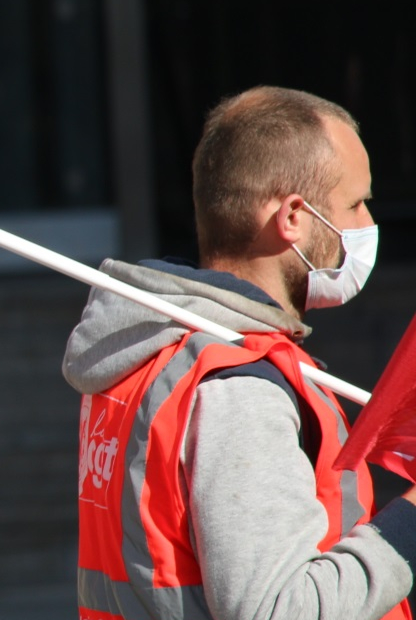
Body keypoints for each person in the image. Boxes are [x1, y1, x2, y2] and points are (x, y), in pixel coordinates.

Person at [64, 86, 416, 620]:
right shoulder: (240, 387)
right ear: (293, 217)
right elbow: (279, 609)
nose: (367, 223)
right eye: (354, 203)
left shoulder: (150, 352)